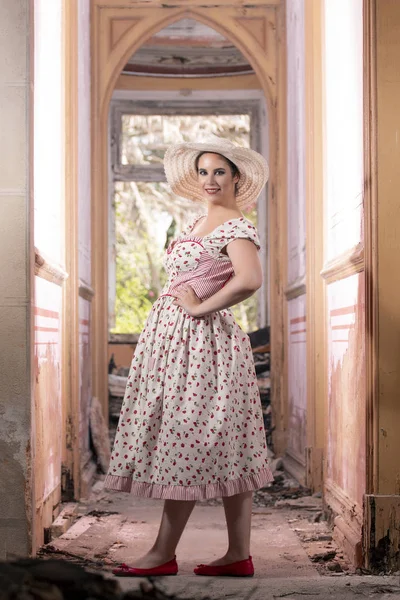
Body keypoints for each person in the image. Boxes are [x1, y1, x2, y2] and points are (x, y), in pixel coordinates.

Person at [104, 136, 273, 578]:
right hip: (175, 341)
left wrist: (199, 307)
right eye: (204, 172)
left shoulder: (235, 226)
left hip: (203, 345)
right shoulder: (200, 222)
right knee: (217, 443)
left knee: (186, 437)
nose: (211, 179)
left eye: (220, 171)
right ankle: (239, 555)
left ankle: (162, 553)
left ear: (237, 176)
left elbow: (250, 279)